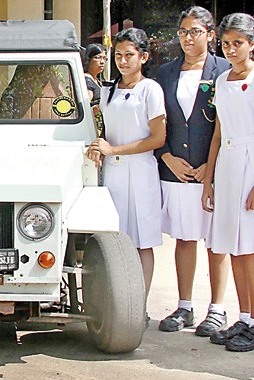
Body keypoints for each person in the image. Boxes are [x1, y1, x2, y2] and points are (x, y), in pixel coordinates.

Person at [153, 6, 232, 335]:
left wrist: (211, 169)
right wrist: (165, 156)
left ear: (211, 35)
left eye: (195, 31)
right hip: (177, 171)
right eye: (183, 32)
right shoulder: (166, 73)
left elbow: (232, 123)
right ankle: (184, 306)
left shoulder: (225, 70)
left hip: (213, 174)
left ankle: (218, 309)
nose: (187, 38)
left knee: (217, 241)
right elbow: (157, 122)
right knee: (185, 239)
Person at [201, 13, 254, 352]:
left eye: (238, 43)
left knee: (249, 248)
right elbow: (218, 131)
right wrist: (209, 179)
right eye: (226, 43)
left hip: (251, 159)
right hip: (228, 162)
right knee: (231, 244)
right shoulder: (221, 79)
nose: (231, 49)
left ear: (253, 43)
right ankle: (244, 317)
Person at [86, 28, 165, 310]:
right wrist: (98, 147)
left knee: (142, 242)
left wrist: (114, 150)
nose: (123, 61)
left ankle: (138, 307)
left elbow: (158, 138)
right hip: (113, 173)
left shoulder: (150, 90)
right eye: (118, 55)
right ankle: (116, 305)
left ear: (143, 57)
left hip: (140, 170)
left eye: (129, 55)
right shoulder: (107, 90)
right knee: (115, 241)